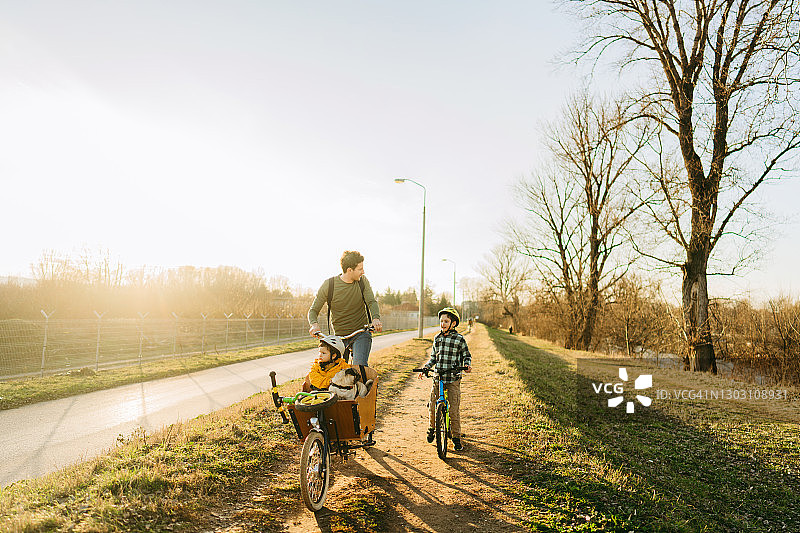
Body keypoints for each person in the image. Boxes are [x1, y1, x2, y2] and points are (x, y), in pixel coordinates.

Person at [308, 250, 382, 366]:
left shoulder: (362, 282)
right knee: (337, 371)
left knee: (359, 366)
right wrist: (314, 324)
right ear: (349, 270)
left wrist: (376, 318)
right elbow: (313, 310)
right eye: (360, 269)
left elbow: (371, 302)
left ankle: (362, 382)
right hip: (339, 337)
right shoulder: (329, 285)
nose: (363, 272)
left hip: (360, 332)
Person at [417, 307, 472, 451]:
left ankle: (456, 437)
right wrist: (426, 368)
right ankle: (432, 428)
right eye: (441, 321)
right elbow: (433, 358)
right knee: (433, 404)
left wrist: (466, 365)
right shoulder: (437, 338)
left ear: (453, 323)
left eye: (446, 321)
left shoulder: (459, 339)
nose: (443, 324)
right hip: (438, 378)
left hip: (453, 378)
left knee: (454, 409)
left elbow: (467, 355)